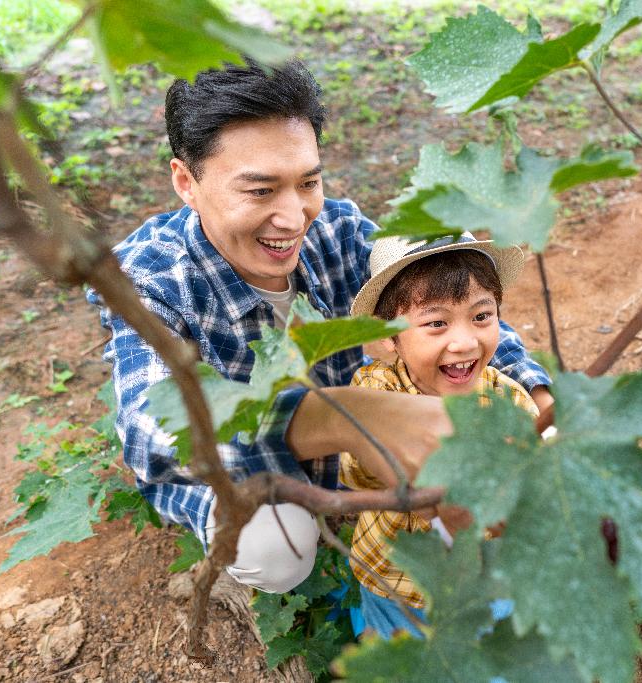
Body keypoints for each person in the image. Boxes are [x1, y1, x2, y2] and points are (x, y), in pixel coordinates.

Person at [87, 58, 552, 595]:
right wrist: (349, 416)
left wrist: (539, 402)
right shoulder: (148, 279)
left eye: (308, 181)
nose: (293, 217)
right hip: (250, 468)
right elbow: (155, 434)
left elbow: (453, 297)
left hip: (360, 467)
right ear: (186, 181)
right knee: (275, 548)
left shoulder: (338, 227)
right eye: (260, 191)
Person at [339, 233, 537, 639]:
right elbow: (349, 470)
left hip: (483, 579)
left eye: (481, 316)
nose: (464, 342)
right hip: (394, 580)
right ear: (387, 337)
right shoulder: (375, 394)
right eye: (436, 323)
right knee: (392, 661)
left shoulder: (508, 403)